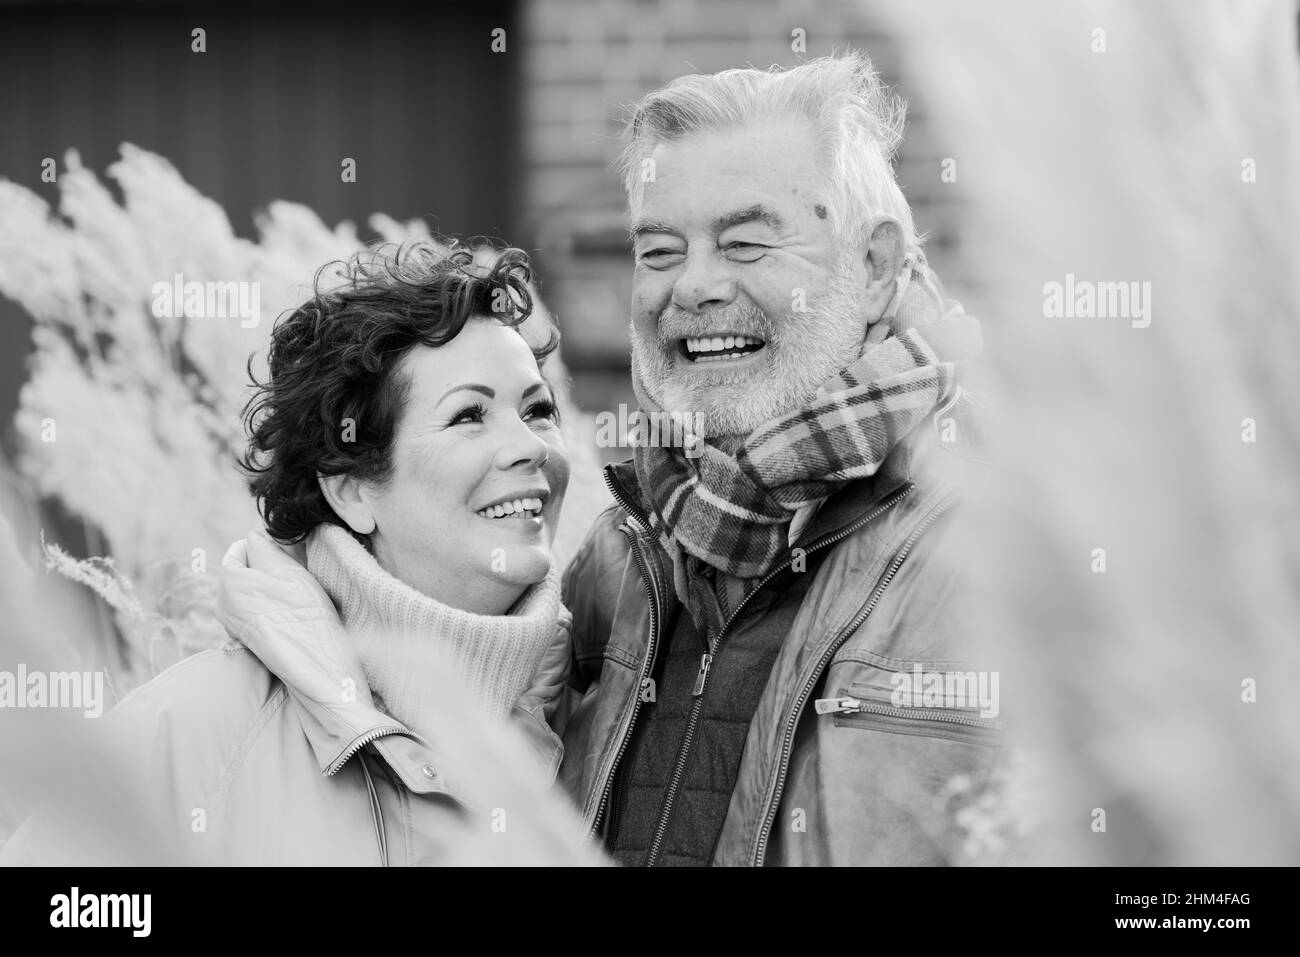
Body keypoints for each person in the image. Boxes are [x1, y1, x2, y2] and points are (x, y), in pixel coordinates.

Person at [1, 240, 599, 866]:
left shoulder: (611, 714)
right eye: (469, 416)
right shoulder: (191, 736)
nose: (529, 446)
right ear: (351, 489)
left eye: (538, 409)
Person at [556, 52, 999, 866]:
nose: (692, 287)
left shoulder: (1006, 560)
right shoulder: (615, 561)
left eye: (746, 243)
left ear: (872, 267)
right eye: (658, 252)